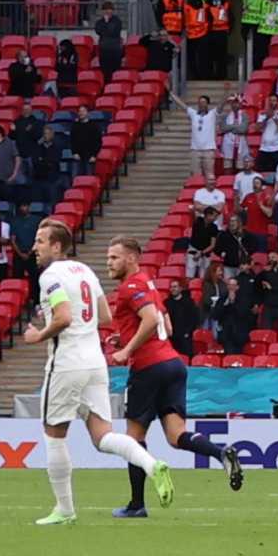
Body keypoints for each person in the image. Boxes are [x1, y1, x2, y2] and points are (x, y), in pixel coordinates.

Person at [22, 219, 170, 525]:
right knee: (103, 436)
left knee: (54, 435)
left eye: (40, 241)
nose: (34, 247)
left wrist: (39, 334)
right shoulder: (86, 270)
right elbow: (104, 316)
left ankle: (64, 509)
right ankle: (151, 464)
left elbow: (63, 318)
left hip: (66, 362)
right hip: (94, 361)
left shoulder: (50, 275)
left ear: (57, 246)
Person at [102, 235, 241, 516]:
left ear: (131, 258)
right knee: (176, 436)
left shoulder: (132, 285)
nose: (109, 263)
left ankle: (137, 505)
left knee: (133, 438)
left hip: (148, 367)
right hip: (173, 364)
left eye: (114, 257)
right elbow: (166, 324)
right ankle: (220, 453)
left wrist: (127, 349)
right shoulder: (149, 284)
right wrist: (128, 337)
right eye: (108, 258)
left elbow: (152, 320)